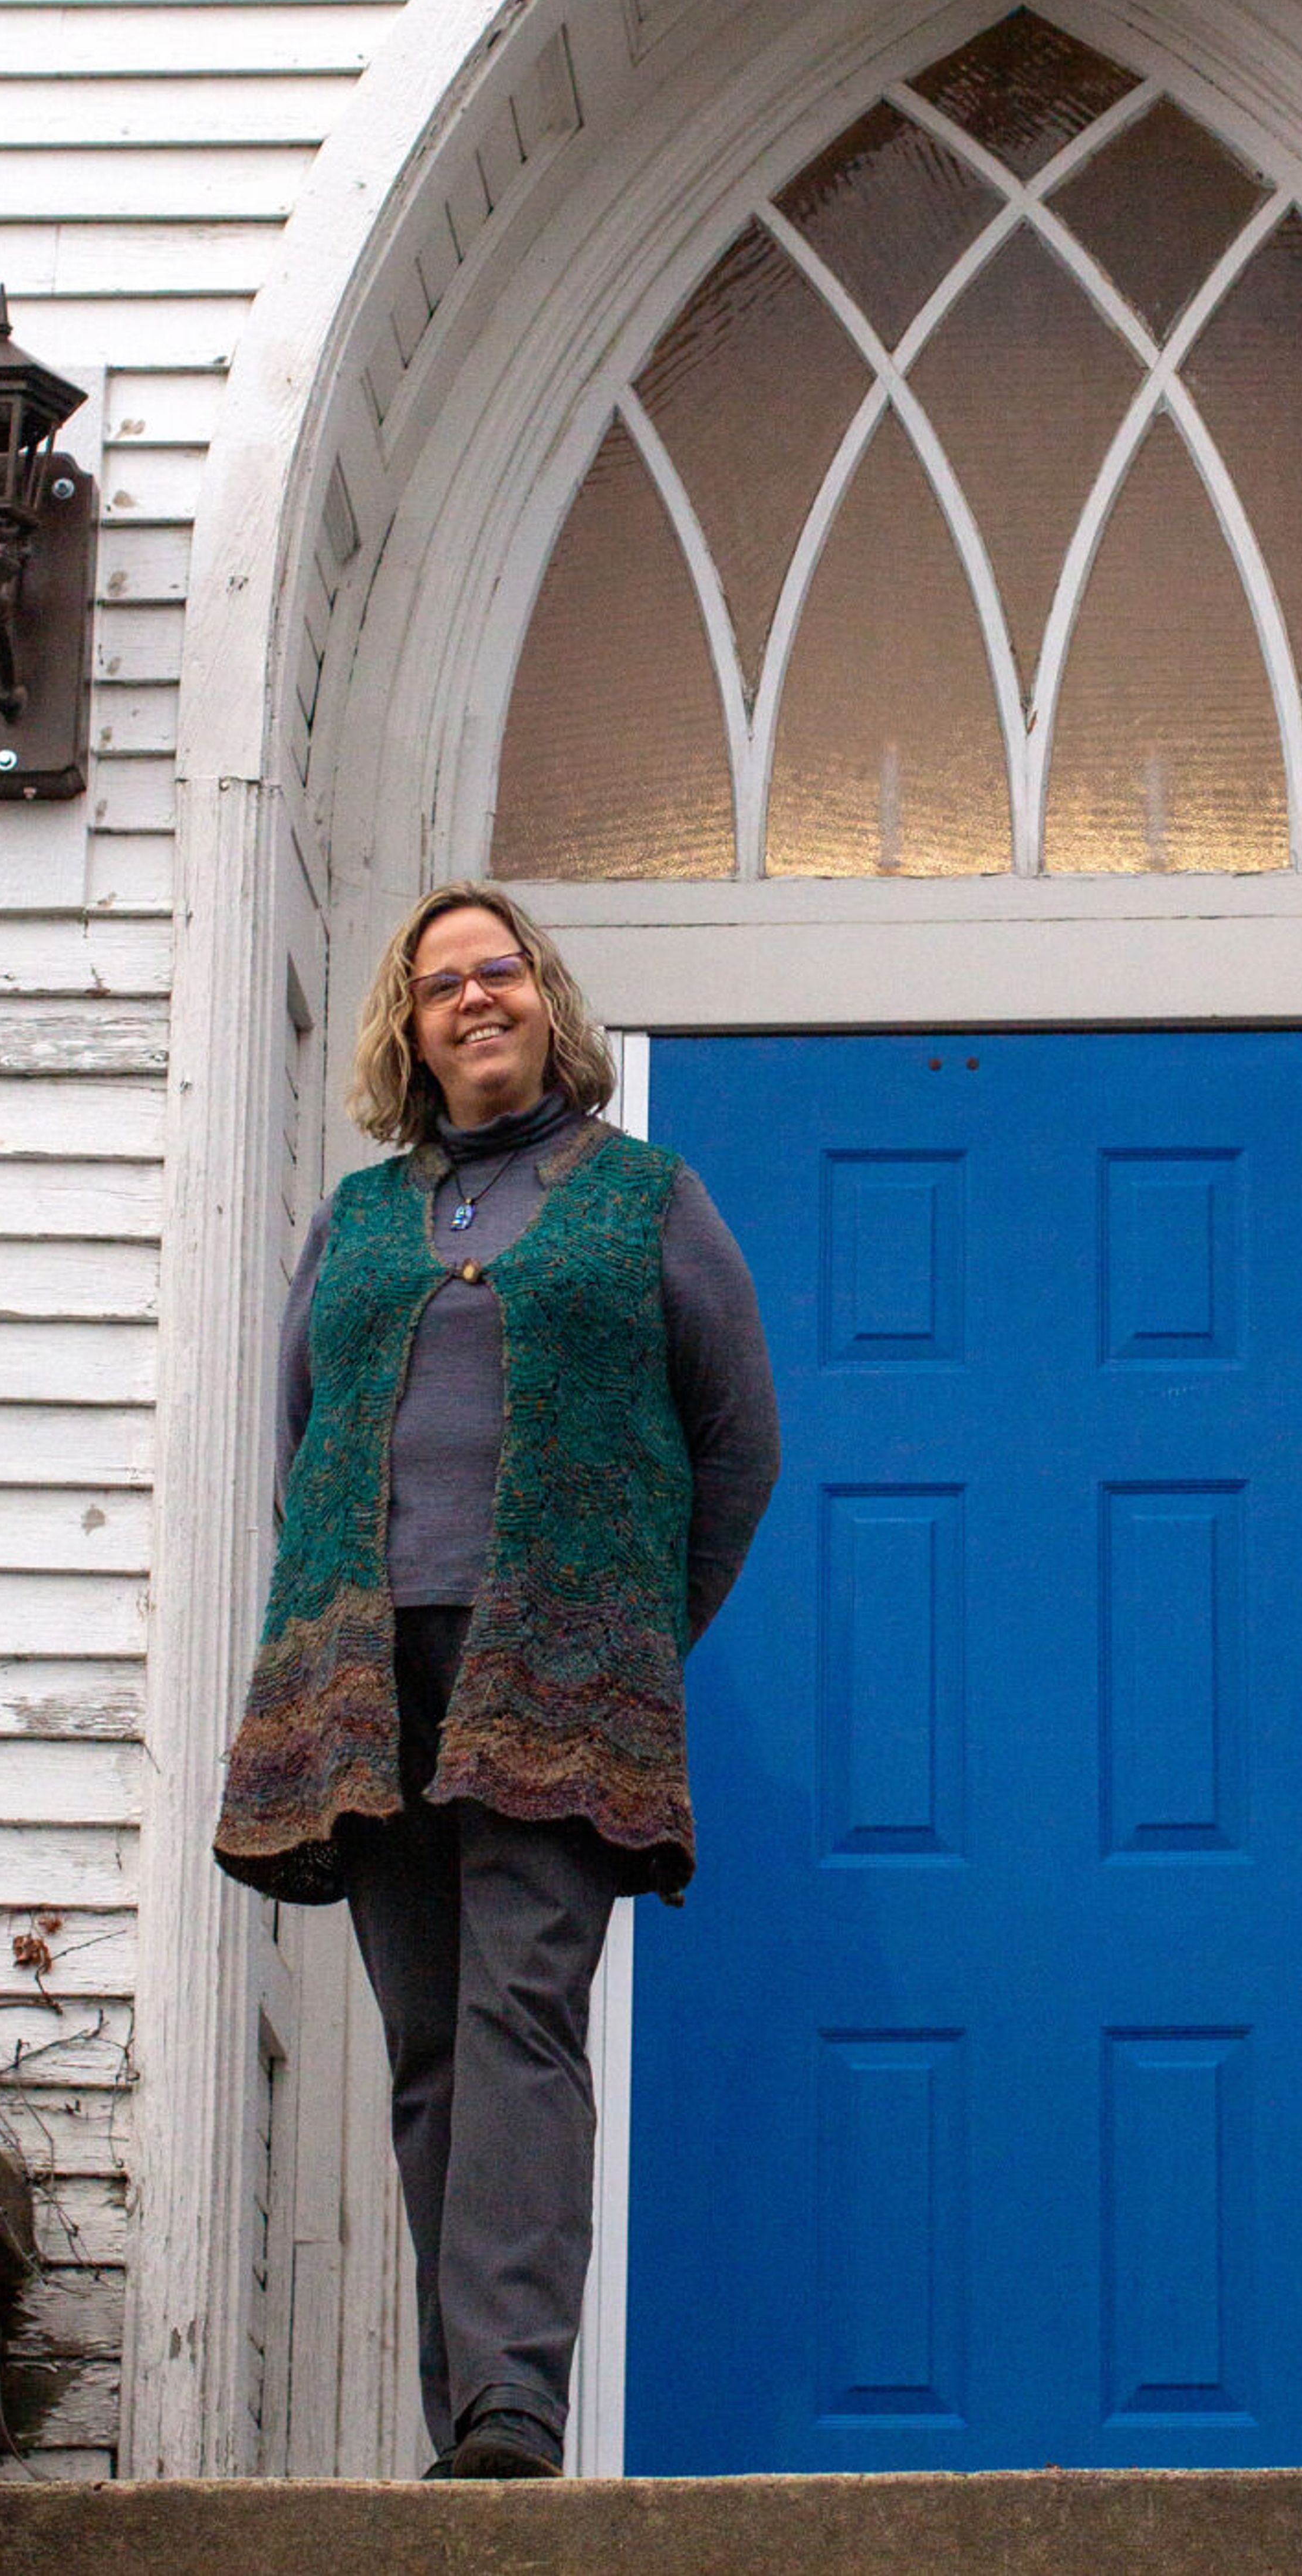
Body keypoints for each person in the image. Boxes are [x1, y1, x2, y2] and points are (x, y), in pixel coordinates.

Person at [214, 881, 778, 2479]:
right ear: (411, 1025)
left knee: (521, 2013)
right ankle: (467, 2412)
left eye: (501, 968)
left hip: (556, 1676)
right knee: (431, 2045)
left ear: (547, 998)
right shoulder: (359, 1218)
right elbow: (301, 1446)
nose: (476, 996)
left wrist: (630, 1639)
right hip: (372, 1669)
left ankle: (515, 2406)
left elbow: (739, 1440)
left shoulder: (648, 1199)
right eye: (441, 979)